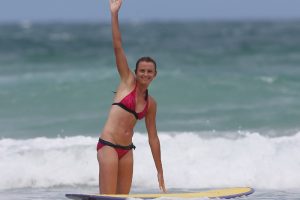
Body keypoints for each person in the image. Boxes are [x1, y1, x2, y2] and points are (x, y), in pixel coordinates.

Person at [96, 0, 167, 194]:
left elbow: (153, 137)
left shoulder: (150, 104)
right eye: (142, 71)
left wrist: (159, 171)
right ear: (135, 72)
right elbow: (117, 47)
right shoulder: (127, 81)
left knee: (122, 198)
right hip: (108, 145)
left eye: (149, 71)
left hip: (127, 151)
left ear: (155, 75)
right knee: (109, 198)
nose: (145, 74)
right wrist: (114, 14)